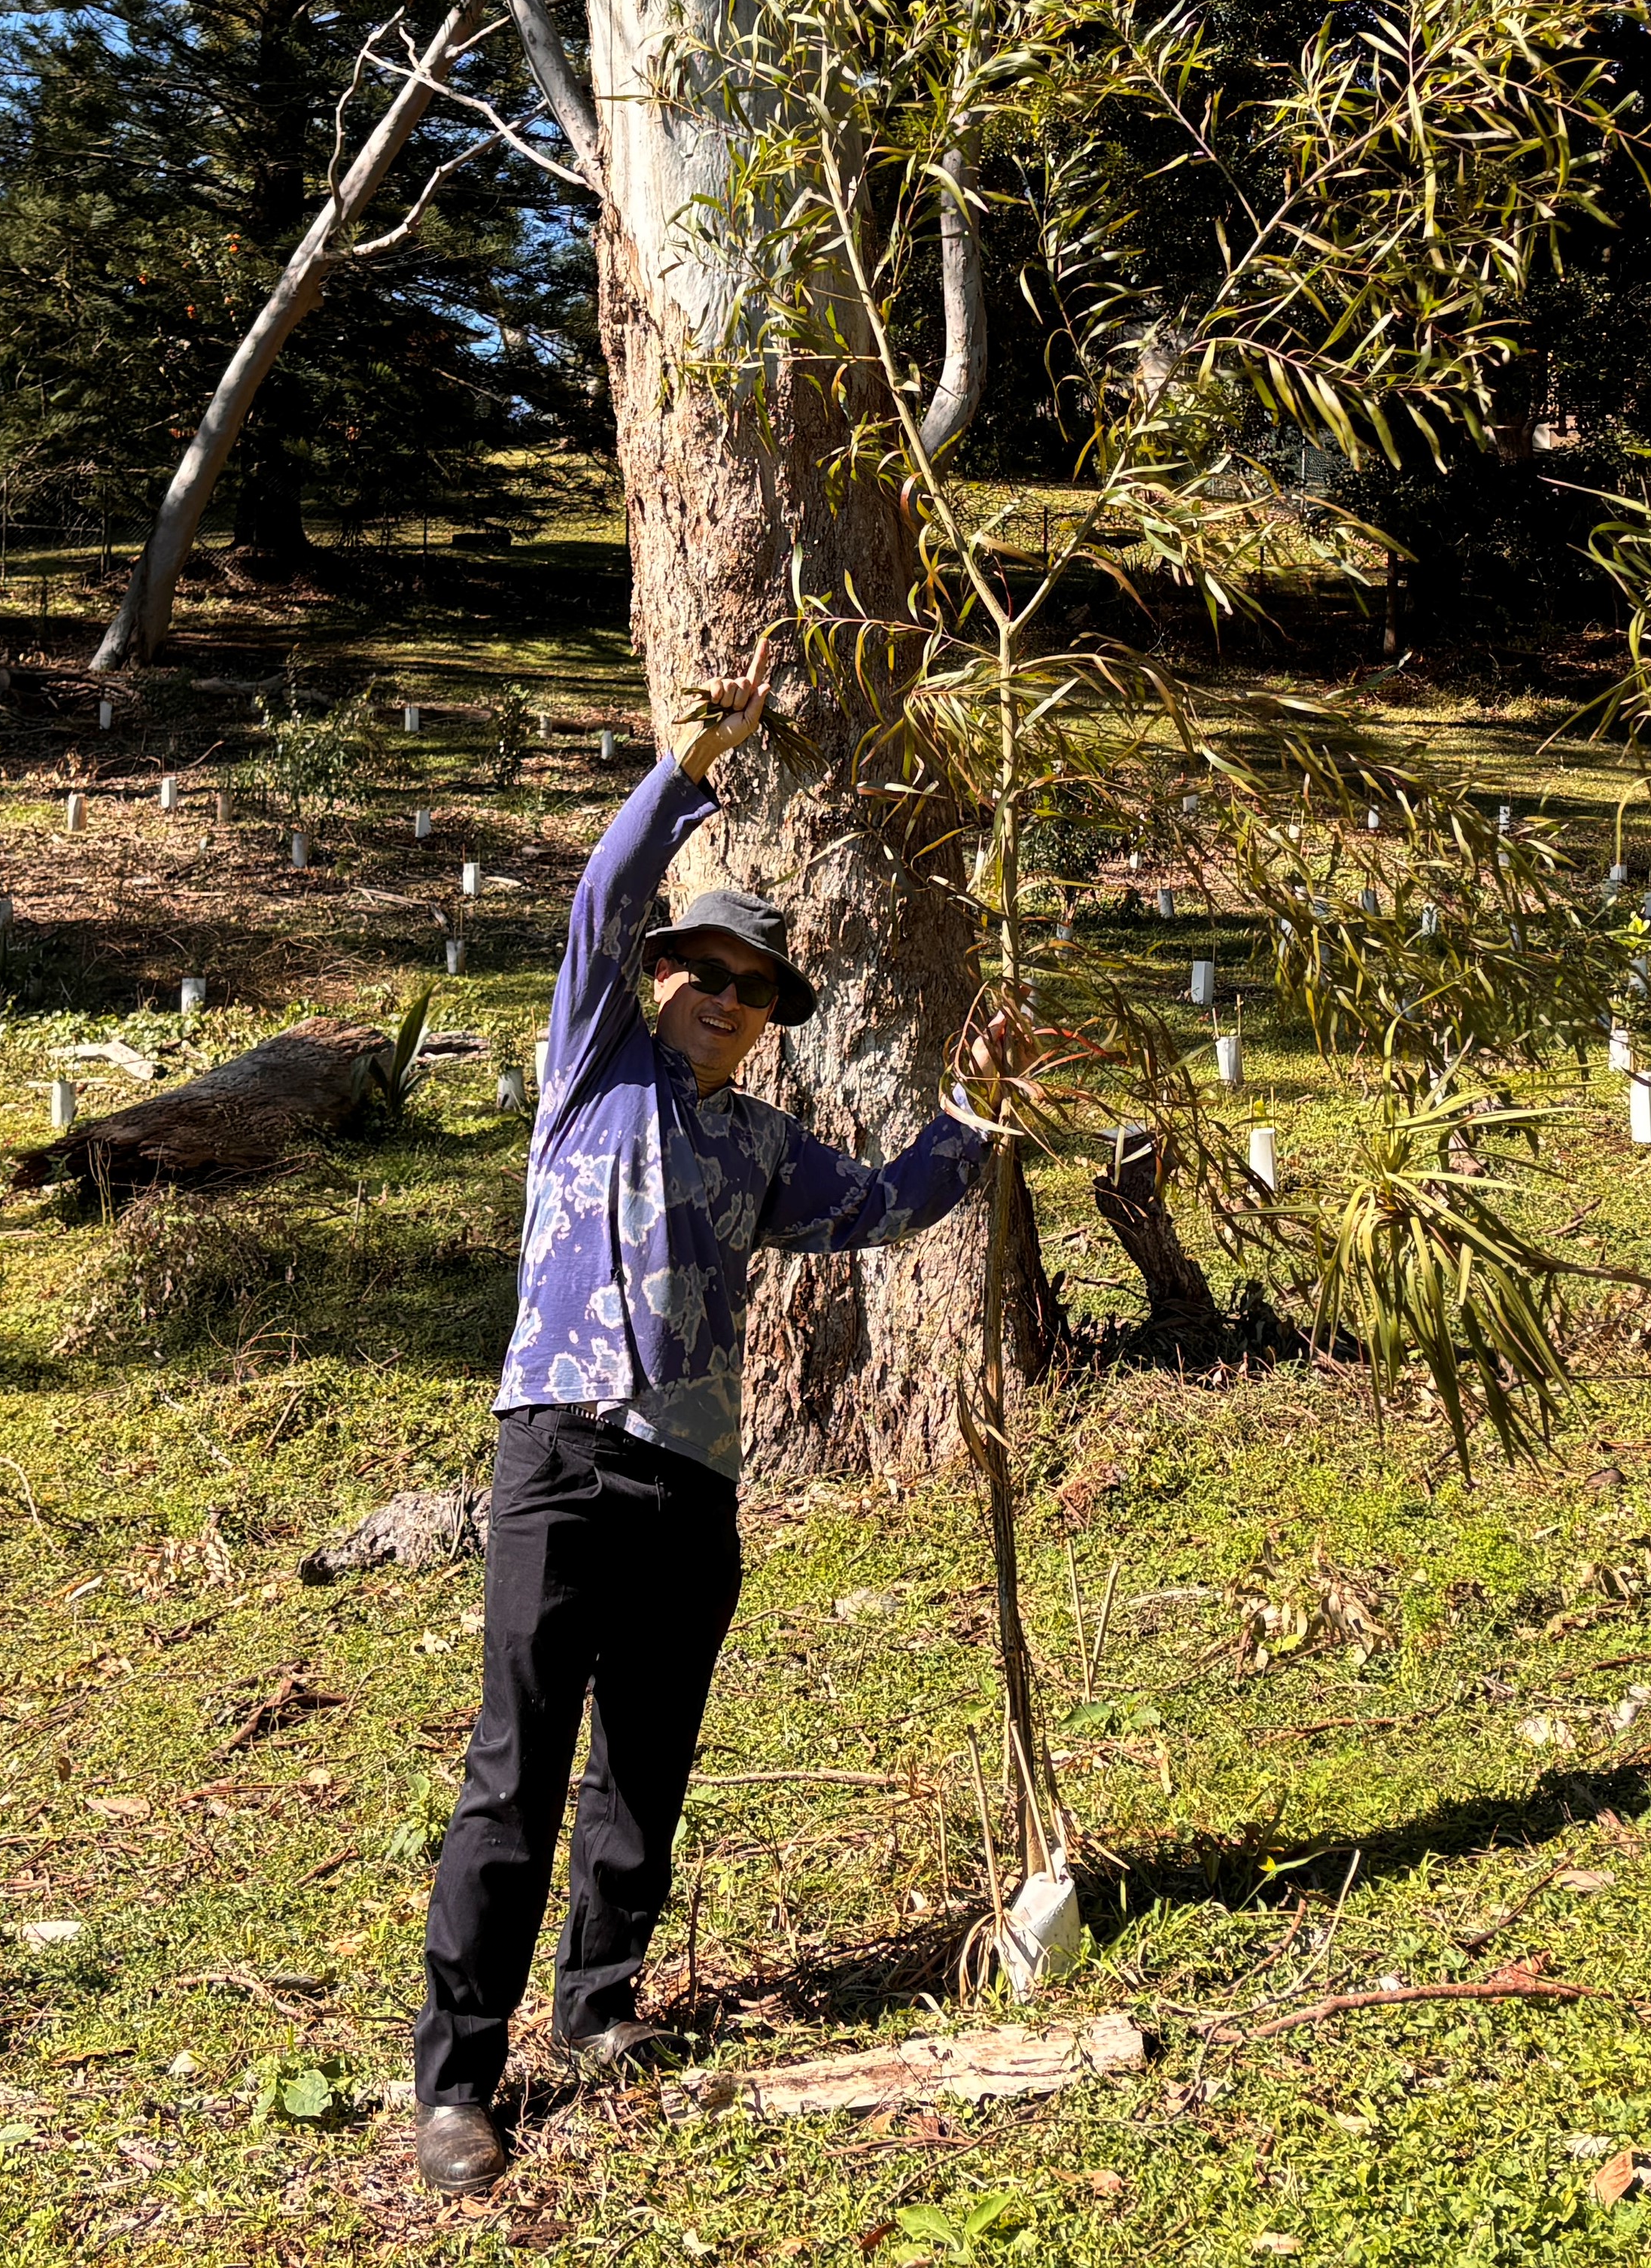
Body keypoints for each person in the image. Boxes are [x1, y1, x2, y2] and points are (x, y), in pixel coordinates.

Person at [413, 637, 1018, 2195]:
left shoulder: (760, 1143)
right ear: (664, 977)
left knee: (646, 1761)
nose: (732, 1006)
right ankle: (458, 2079)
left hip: (692, 1479)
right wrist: (688, 764)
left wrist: (979, 1110)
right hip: (558, 1450)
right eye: (712, 977)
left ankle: (600, 2014)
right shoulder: (588, 1071)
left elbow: (886, 1207)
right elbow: (596, 904)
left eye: (758, 995)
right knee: (516, 1766)